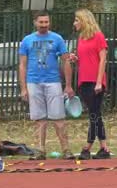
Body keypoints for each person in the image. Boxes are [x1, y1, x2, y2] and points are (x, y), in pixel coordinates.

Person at [19, 10, 75, 160]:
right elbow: (22, 65)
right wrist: (23, 87)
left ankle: (66, 149)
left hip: (53, 81)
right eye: (41, 22)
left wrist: (68, 85)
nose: (44, 25)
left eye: (46, 22)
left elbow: (66, 60)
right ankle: (40, 150)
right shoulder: (27, 40)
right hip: (34, 82)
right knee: (39, 119)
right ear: (35, 23)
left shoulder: (57, 38)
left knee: (59, 118)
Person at [71, 9, 111, 160]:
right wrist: (77, 59)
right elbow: (86, 60)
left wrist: (99, 81)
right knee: (95, 114)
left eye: (77, 20)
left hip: (95, 81)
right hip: (84, 79)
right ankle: (104, 147)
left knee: (94, 114)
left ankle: (88, 146)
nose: (74, 23)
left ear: (84, 20)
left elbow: (102, 59)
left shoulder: (98, 36)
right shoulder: (81, 38)